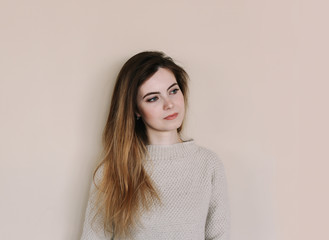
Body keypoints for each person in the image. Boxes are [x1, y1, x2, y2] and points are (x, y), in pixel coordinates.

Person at [80, 51, 230, 240]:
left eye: (173, 91)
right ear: (135, 110)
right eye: (153, 98)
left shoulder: (208, 164)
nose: (169, 104)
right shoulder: (113, 170)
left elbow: (220, 235)